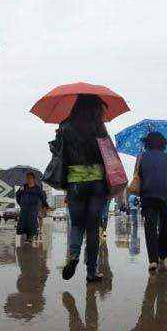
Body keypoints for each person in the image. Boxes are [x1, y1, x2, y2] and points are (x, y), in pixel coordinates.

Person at [52, 95, 109, 283]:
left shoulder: (65, 127)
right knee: (93, 228)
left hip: (75, 183)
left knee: (77, 225)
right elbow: (107, 156)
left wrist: (58, 138)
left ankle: (73, 256)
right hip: (97, 183)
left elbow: (60, 155)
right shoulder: (99, 128)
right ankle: (91, 273)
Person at [134, 131, 167, 272]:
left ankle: (153, 260)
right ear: (163, 144)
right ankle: (162, 255)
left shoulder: (142, 157)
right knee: (164, 226)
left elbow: (137, 178)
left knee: (150, 227)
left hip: (148, 197)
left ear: (147, 143)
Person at [15, 172, 47, 241]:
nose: (28, 179)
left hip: (33, 208)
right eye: (27, 178)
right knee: (23, 222)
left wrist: (44, 206)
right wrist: (20, 203)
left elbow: (43, 198)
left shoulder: (37, 189)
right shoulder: (23, 187)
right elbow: (17, 195)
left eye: (30, 178)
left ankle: (31, 236)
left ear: (33, 179)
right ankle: (27, 236)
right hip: (24, 208)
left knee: (31, 222)